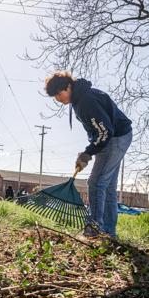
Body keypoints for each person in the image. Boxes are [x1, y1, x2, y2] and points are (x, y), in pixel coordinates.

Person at [45, 71, 132, 238]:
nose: (58, 99)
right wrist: (88, 151)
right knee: (107, 186)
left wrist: (89, 152)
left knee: (97, 182)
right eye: (54, 96)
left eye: (59, 94)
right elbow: (97, 131)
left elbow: (105, 131)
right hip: (115, 136)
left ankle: (95, 228)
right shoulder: (78, 98)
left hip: (115, 138)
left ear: (68, 86)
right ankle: (108, 232)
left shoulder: (85, 100)